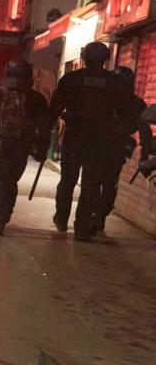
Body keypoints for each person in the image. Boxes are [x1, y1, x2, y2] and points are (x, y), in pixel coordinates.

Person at [49, 41, 130, 241]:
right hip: (99, 139)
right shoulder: (114, 82)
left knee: (68, 179)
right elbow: (124, 111)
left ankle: (61, 217)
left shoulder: (71, 79)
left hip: (75, 136)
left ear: (84, 57)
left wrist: (46, 129)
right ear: (105, 59)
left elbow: (55, 107)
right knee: (91, 184)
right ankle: (83, 226)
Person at [0, 61, 50, 236]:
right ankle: (4, 215)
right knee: (11, 181)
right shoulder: (37, 99)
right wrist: (40, 148)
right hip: (21, 147)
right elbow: (45, 127)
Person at [96, 66, 152, 235]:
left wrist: (144, 152)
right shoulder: (105, 99)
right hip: (106, 147)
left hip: (111, 148)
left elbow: (144, 129)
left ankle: (97, 217)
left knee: (101, 183)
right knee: (103, 184)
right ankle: (96, 217)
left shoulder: (107, 99)